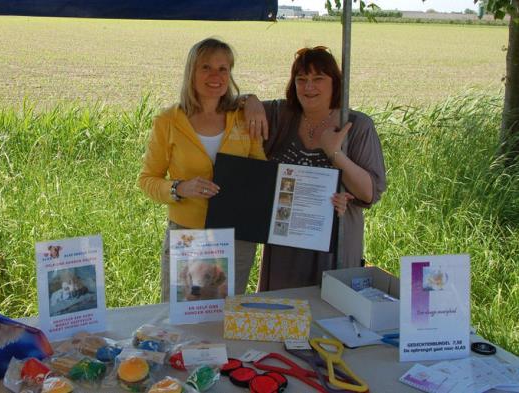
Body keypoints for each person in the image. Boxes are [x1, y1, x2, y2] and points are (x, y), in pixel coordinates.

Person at [244, 45, 387, 291]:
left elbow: (368, 193)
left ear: (335, 83)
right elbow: (227, 105)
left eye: (318, 79)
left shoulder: (357, 125)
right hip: (284, 249)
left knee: (331, 320)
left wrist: (335, 154)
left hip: (335, 246)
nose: (309, 87)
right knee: (282, 318)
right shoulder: (281, 115)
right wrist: (250, 99)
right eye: (302, 79)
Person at [138, 38, 267, 302]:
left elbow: (260, 174)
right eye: (206, 67)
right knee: (179, 316)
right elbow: (147, 179)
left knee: (225, 316)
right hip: (187, 234)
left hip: (237, 236)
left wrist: (251, 99)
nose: (215, 76)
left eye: (223, 69)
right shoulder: (168, 121)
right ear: (191, 73)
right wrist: (178, 188)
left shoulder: (244, 118)